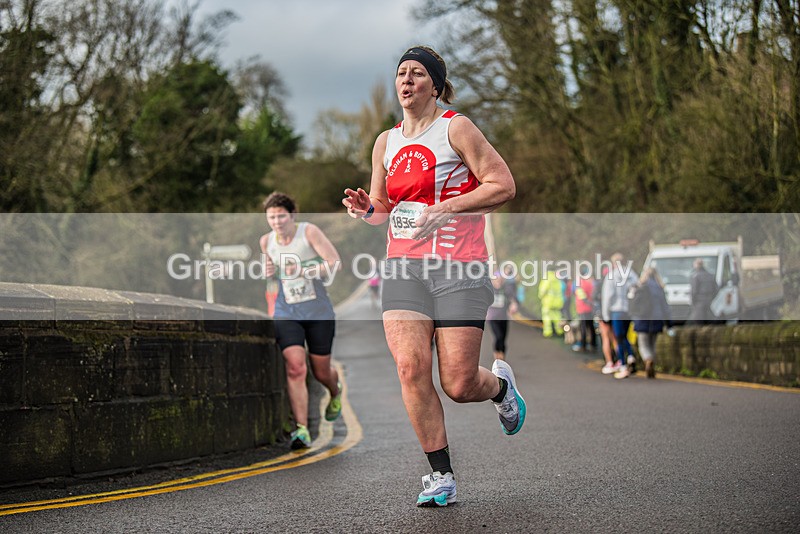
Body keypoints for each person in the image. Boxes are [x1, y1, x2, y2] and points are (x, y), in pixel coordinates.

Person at [342, 45, 525, 507]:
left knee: (460, 383)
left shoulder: (456, 128)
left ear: (435, 85)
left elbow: (502, 184)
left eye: (417, 73)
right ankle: (440, 475)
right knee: (409, 367)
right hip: (403, 266)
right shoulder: (386, 141)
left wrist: (446, 208)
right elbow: (384, 210)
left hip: (460, 266)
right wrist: (368, 208)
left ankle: (501, 387)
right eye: (401, 73)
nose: (406, 80)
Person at [260, 192, 343, 450]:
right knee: (295, 368)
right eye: (271, 217)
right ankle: (302, 430)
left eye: (281, 216)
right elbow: (270, 273)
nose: (277, 222)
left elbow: (335, 263)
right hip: (287, 311)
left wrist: (305, 270)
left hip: (317, 310)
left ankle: (334, 389)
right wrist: (268, 271)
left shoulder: (308, 232)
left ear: (292, 214)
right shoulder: (266, 241)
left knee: (320, 372)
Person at [601, 252, 638, 379]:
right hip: (629, 310)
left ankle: (622, 365)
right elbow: (637, 289)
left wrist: (605, 315)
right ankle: (631, 356)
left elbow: (607, 297)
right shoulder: (631, 274)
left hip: (616, 311)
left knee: (618, 337)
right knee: (625, 336)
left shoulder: (611, 276)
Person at [631, 267, 671, 378]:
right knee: (652, 344)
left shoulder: (640, 287)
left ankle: (648, 360)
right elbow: (665, 307)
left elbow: (634, 305)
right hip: (657, 319)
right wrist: (668, 322)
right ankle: (652, 360)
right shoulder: (659, 288)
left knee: (643, 344)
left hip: (642, 319)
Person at [487, 265, 519, 361]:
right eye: (496, 280)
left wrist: (514, 305)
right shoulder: (489, 290)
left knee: (503, 339)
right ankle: (497, 357)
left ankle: (502, 359)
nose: (498, 282)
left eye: (500, 280)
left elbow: (512, 299)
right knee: (498, 336)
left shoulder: (505, 290)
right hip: (492, 318)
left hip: (503, 317)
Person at [572, 264, 597, 352]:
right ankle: (593, 344)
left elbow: (578, 293)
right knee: (591, 326)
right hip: (590, 308)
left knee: (583, 327)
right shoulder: (591, 282)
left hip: (582, 308)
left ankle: (583, 345)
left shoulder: (580, 283)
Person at [689, 258, 718, 325]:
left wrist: (693, 301)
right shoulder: (710, 275)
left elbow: (694, 291)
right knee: (710, 320)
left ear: (696, 265)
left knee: (698, 321)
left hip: (699, 302)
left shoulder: (696, 276)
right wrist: (711, 297)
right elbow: (716, 289)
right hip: (708, 300)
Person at [538, 266, 564, 338]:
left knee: (546, 317)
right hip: (557, 303)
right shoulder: (557, 279)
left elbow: (542, 290)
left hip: (548, 302)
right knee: (557, 317)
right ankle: (560, 331)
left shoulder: (546, 278)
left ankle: (548, 333)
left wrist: (540, 297)